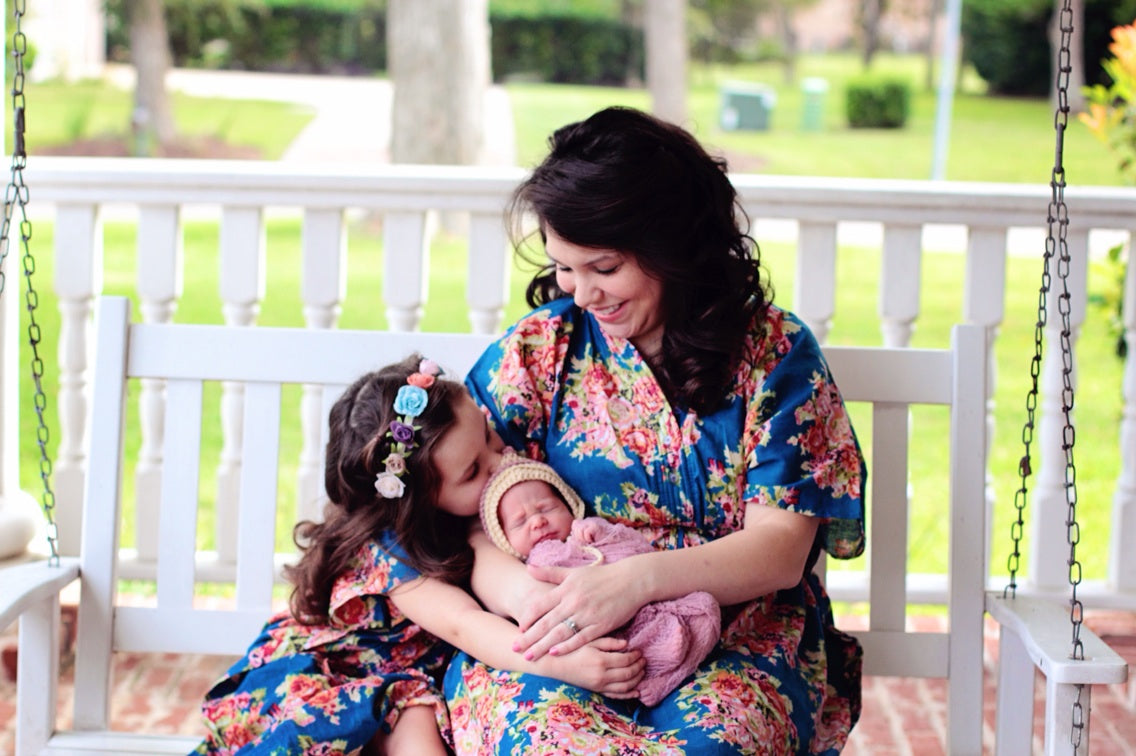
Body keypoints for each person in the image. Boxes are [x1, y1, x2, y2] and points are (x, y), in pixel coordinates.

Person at [444, 106, 867, 755]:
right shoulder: (544, 348)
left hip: (738, 634)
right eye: (564, 267)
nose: (581, 292)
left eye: (603, 268)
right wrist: (528, 596)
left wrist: (636, 582)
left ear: (672, 244)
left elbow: (781, 550)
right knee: (545, 740)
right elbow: (465, 510)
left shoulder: (776, 355)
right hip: (564, 630)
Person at [193, 355, 645, 756]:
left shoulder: (479, 504)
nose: (499, 459)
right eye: (473, 470)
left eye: (488, 436)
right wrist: (564, 664)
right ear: (419, 502)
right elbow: (465, 625)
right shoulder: (395, 554)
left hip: (407, 674)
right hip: (347, 675)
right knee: (414, 722)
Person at [478, 448, 721, 707]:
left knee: (706, 609)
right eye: (520, 522)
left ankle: (667, 674)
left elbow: (638, 549)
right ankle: (651, 679)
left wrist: (602, 535)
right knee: (619, 657)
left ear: (570, 505)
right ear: (505, 541)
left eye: (546, 508)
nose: (537, 521)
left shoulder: (591, 532)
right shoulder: (530, 570)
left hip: (652, 605)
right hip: (609, 640)